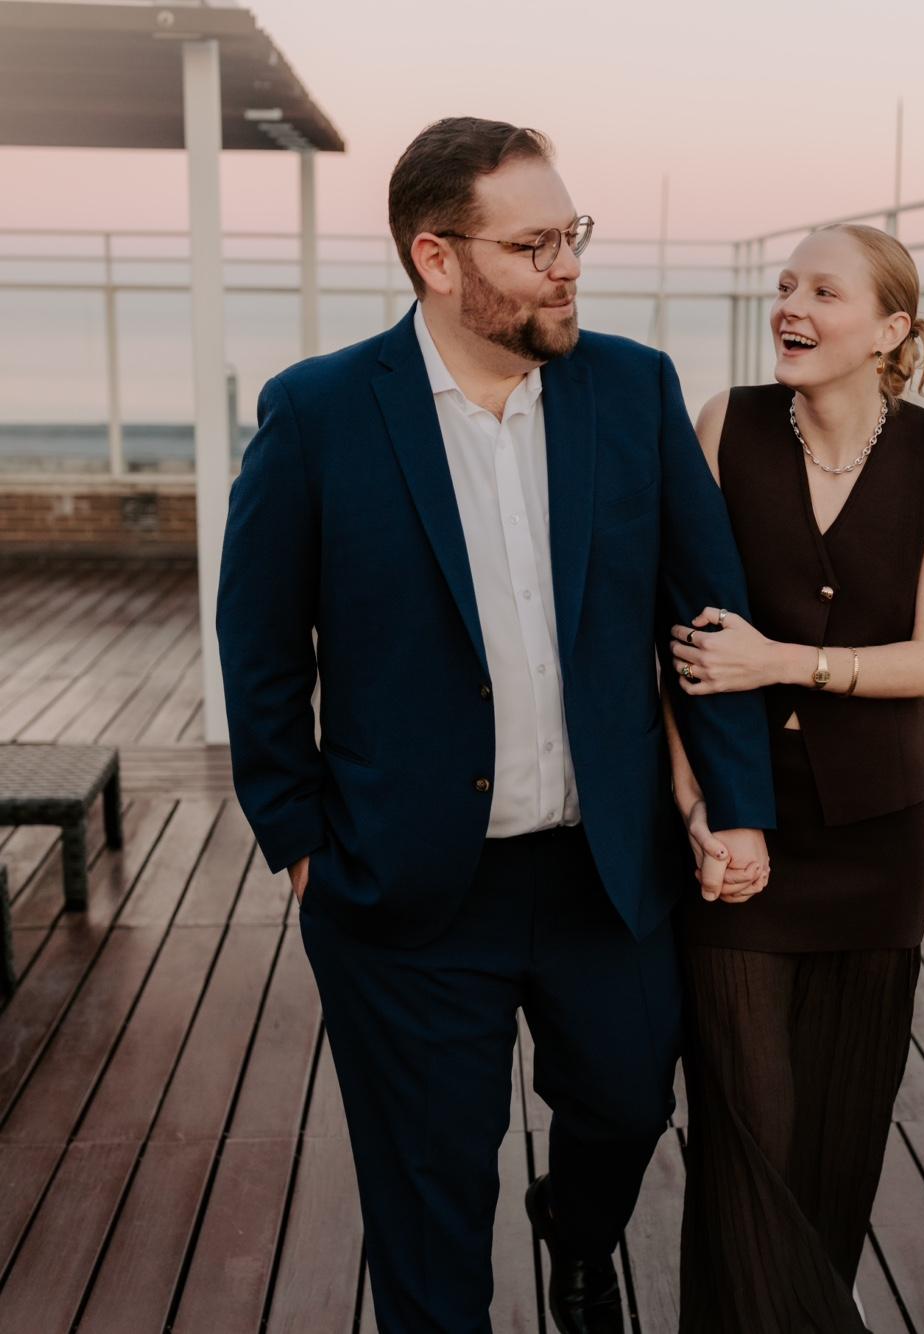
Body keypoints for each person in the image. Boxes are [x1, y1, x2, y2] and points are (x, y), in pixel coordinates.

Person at [215, 116, 775, 1334]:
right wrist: (301, 838)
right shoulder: (317, 415)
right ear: (436, 256)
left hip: (603, 869)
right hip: (402, 888)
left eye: (571, 234)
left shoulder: (632, 388)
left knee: (628, 1103)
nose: (568, 264)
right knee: (428, 1192)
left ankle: (577, 1231)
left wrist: (733, 804)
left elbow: (705, 610)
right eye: (533, 245)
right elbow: (258, 649)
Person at [662, 223, 924, 1332]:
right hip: (740, 834)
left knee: (835, 1156)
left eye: (822, 291)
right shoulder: (726, 424)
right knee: (744, 1139)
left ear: (889, 329)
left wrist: (785, 661)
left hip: (878, 844)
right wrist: (699, 809)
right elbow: (675, 645)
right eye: (784, 284)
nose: (789, 304)